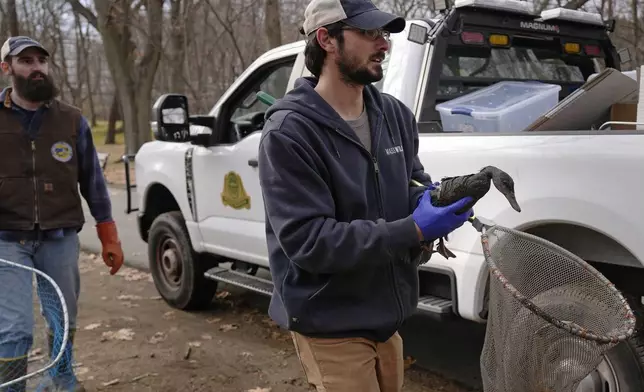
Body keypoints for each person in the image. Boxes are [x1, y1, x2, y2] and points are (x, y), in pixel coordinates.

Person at [257, 0, 474, 390]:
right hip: (330, 321)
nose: (384, 44)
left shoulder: (394, 115)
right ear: (327, 39)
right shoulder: (290, 132)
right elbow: (310, 242)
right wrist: (414, 230)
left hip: (387, 317)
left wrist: (433, 201)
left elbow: (411, 183)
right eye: (368, 33)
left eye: (384, 34)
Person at [0, 36, 124, 392]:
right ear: (7, 69)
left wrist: (108, 232)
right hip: (7, 239)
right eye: (26, 61)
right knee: (14, 329)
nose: (36, 67)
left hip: (59, 237)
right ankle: (12, 387)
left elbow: (94, 181)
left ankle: (60, 380)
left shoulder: (71, 120)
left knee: (63, 318)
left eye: (41, 60)